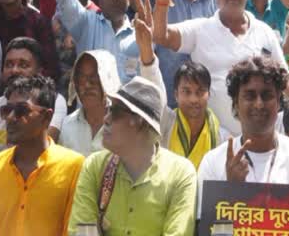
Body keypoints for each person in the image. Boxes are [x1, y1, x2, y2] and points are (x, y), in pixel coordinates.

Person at [152, 0, 289, 135]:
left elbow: (286, 82)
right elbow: (160, 36)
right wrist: (162, 3)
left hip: (261, 141)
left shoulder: (264, 32)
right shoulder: (200, 29)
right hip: (213, 141)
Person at [68, 76, 198, 236]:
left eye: (114, 111)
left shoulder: (180, 174)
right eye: (108, 109)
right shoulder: (94, 166)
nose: (105, 119)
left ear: (139, 121)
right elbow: (80, 232)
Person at [197, 57, 289, 217]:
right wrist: (230, 191)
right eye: (250, 96)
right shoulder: (213, 162)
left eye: (267, 95)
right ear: (236, 103)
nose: (259, 104)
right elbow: (205, 229)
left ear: (279, 102)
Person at [0, 75, 84, 236]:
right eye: (7, 110)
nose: (10, 117)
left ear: (47, 117)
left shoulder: (74, 167)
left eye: (21, 110)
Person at [60, 0, 167, 156]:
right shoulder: (67, 126)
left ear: (108, 79)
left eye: (94, 78)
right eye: (81, 78)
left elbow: (158, 102)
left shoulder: (128, 124)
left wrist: (146, 51)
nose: (86, 85)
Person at [0, 38, 68, 157]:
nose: (14, 70)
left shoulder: (52, 100)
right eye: (9, 64)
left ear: (39, 72)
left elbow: (42, 144)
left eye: (23, 65)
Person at [161, 60, 230, 168]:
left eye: (200, 92)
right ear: (176, 95)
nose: (193, 99)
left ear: (209, 94)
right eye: (186, 92)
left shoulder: (223, 139)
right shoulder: (165, 124)